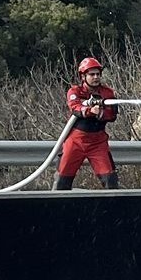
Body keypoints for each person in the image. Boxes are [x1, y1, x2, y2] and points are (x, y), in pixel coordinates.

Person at [56, 56, 119, 190]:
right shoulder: (75, 91)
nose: (96, 77)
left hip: (98, 142)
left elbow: (113, 114)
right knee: (62, 181)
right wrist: (90, 110)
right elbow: (75, 107)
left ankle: (113, 208)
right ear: (83, 76)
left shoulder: (107, 93)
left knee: (110, 181)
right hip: (76, 142)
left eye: (98, 74)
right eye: (92, 74)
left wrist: (101, 113)